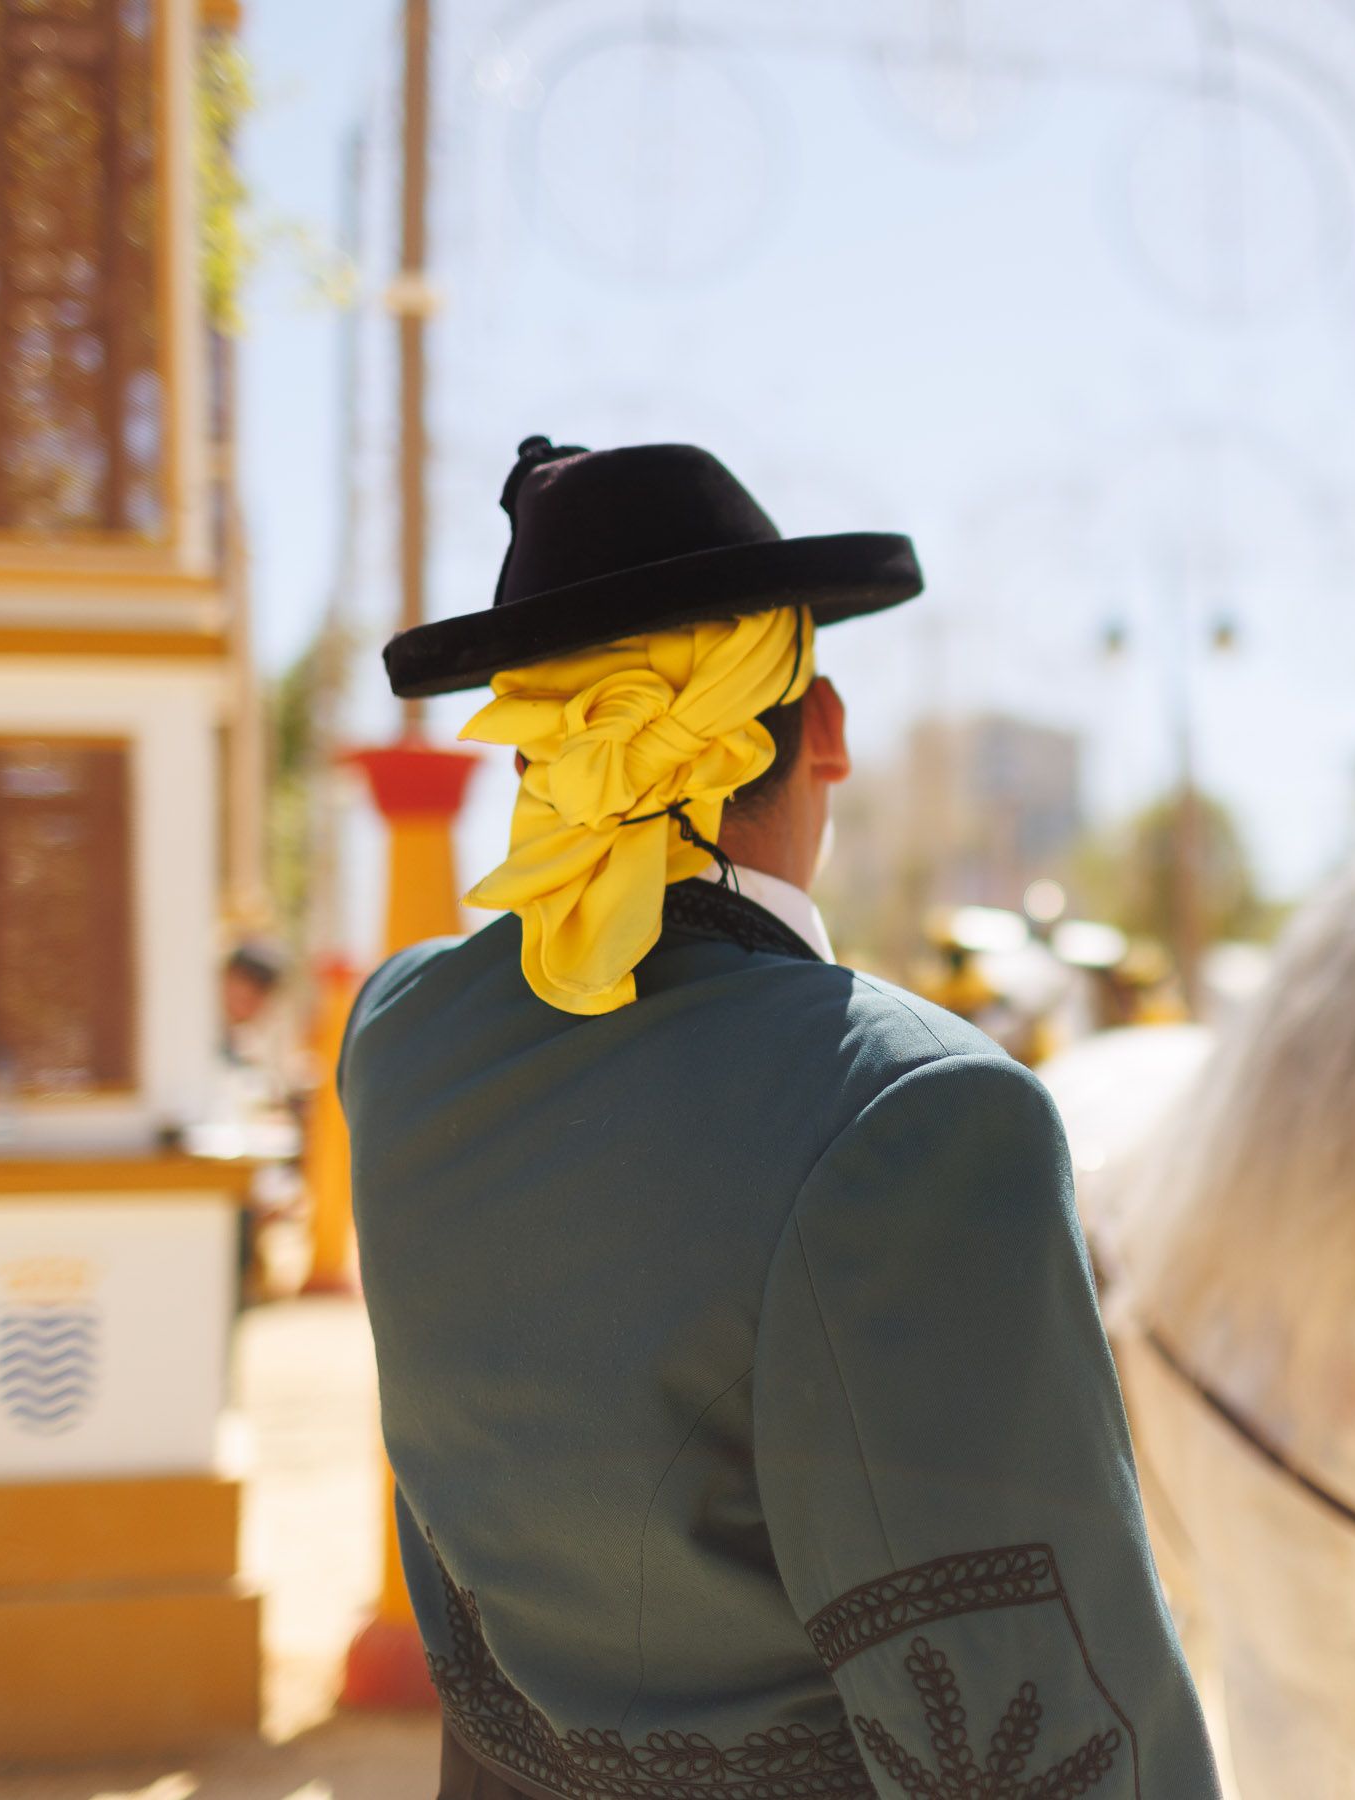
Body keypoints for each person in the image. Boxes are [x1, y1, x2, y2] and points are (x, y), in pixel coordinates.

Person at [341, 439, 1220, 1800]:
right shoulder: (911, 1112)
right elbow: (1042, 1720)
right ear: (825, 726)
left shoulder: (400, 1043)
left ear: (532, 755)